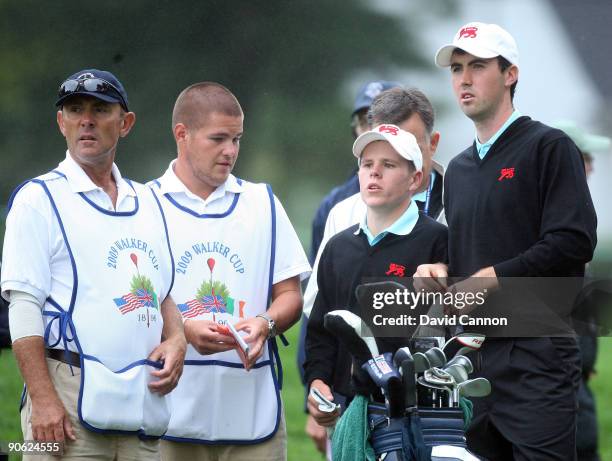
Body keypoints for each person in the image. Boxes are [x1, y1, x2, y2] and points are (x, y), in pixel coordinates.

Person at [415, 23, 597, 459]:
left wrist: (492, 279)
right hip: (470, 358)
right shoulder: (457, 169)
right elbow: (466, 256)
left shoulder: (548, 147)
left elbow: (573, 241)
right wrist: (439, 270)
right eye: (457, 68)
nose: (464, 78)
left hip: (538, 356)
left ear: (510, 74)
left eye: (477, 66)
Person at [0, 69, 186, 460]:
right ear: (60, 122)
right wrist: (43, 400)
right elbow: (23, 307)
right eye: (75, 109)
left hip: (141, 399)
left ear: (125, 123)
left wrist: (177, 339)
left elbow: (161, 290)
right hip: (65, 398)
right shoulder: (38, 199)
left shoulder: (148, 201)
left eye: (100, 109)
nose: (86, 119)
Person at [150, 82, 310, 461]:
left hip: (252, 418)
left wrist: (265, 324)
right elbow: (131, 303)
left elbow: (290, 297)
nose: (231, 151)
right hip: (168, 413)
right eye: (218, 138)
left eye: (237, 139)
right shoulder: (144, 205)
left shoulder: (263, 203)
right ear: (182, 134)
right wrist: (184, 331)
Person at [304, 123, 448, 432]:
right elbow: (320, 332)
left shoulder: (439, 241)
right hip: (349, 409)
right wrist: (318, 383)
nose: (374, 172)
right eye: (367, 164)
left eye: (389, 165)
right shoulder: (337, 247)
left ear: (415, 179)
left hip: (419, 411)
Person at [299, 80, 401, 454]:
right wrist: (314, 387)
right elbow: (316, 307)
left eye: (381, 117)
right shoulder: (336, 208)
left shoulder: (441, 197)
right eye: (364, 119)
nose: (371, 126)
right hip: (346, 388)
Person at [553, 121, 610, 461]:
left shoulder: (577, 217)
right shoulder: (555, 223)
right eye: (585, 158)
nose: (592, 167)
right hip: (561, 397)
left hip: (579, 392)